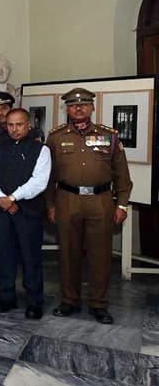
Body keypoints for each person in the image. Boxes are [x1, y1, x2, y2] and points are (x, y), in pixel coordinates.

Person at [46, 87, 132, 324]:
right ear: (67, 109)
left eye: (84, 103)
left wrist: (122, 205)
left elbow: (122, 175)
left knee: (100, 255)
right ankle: (69, 301)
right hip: (67, 200)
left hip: (100, 201)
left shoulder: (109, 135)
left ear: (92, 107)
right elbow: (49, 176)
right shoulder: (56, 137)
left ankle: (98, 304)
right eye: (73, 105)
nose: (79, 108)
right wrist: (50, 205)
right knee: (68, 254)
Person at [0, 108, 50, 319]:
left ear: (28, 125)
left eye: (19, 124)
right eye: (11, 125)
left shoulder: (41, 149)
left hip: (28, 212)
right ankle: (6, 298)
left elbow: (39, 182)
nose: (15, 129)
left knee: (31, 258)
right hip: (2, 212)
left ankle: (34, 302)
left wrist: (12, 198)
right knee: (3, 255)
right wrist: (1, 200)